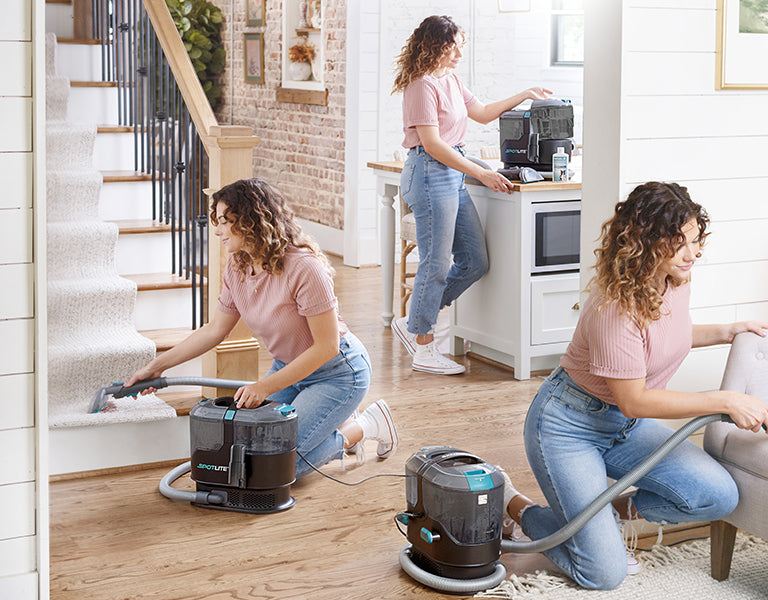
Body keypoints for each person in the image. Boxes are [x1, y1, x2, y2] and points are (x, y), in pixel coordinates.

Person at [500, 182, 768, 590]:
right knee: (603, 573)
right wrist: (723, 400)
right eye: (678, 242)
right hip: (568, 429)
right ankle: (517, 508)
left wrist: (730, 329)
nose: (692, 254)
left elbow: (667, 336)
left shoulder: (675, 278)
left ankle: (601, 515)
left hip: (623, 428)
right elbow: (634, 400)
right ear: (645, 242)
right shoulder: (614, 307)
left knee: (717, 495)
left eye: (695, 240)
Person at [125, 178, 398, 479]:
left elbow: (327, 347)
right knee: (248, 452)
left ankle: (365, 426)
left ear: (250, 220)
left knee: (281, 466)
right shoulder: (237, 266)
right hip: (289, 369)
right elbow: (215, 329)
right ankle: (326, 421)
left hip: (336, 373)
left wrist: (263, 388)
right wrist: (157, 366)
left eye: (224, 222)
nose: (217, 231)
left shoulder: (304, 268)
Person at [389, 14, 552, 375]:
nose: (461, 52)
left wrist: (525, 94)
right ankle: (424, 346)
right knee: (435, 263)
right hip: (430, 175)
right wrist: (482, 172)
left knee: (475, 261)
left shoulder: (451, 80)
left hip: (452, 173)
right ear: (437, 45)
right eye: (455, 46)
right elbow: (431, 144)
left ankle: (415, 320)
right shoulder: (421, 85)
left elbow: (482, 113)